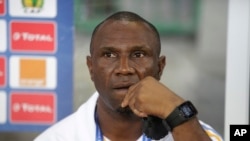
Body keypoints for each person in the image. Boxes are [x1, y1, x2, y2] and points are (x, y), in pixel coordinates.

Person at [34, 11, 223, 141]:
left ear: (160, 67)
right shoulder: (57, 138)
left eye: (138, 55)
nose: (124, 69)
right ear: (91, 68)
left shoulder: (193, 132)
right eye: (109, 55)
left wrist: (179, 112)